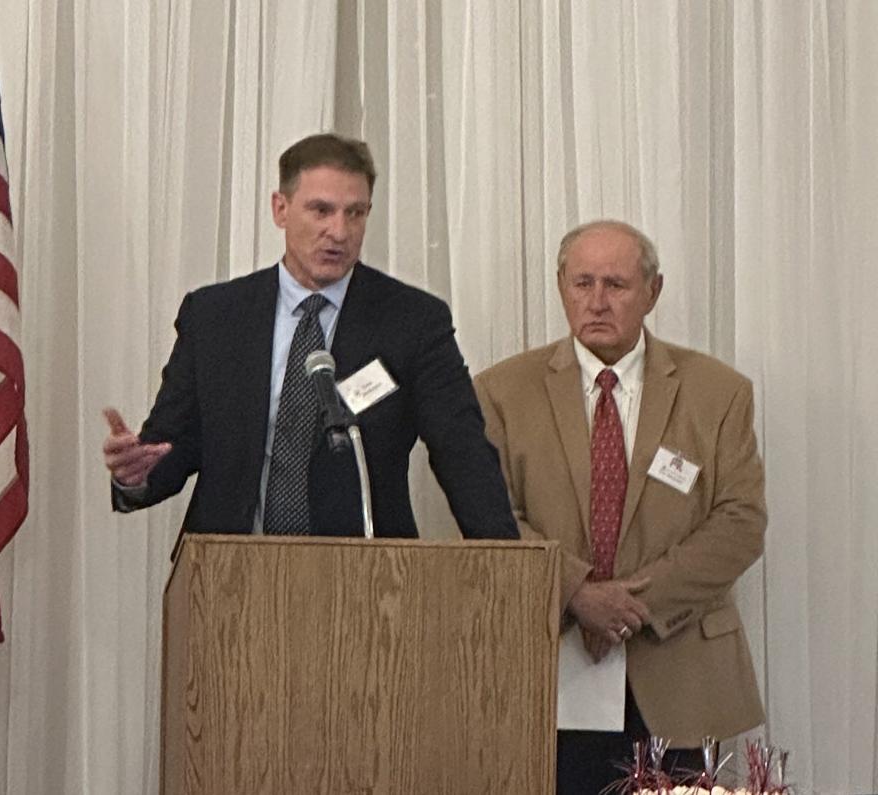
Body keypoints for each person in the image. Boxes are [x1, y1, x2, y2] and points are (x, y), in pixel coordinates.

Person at [103, 132, 518, 543]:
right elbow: (173, 446)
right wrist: (137, 475)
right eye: (321, 210)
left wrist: (508, 565)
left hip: (365, 580)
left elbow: (462, 453)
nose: (339, 231)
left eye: (355, 214)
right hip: (228, 579)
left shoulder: (412, 321)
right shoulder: (215, 316)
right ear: (280, 209)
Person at [475, 220, 765, 793]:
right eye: (582, 283)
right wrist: (576, 593)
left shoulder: (718, 392)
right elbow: (485, 517)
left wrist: (630, 605)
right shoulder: (500, 391)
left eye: (616, 284)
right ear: (561, 285)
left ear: (653, 292)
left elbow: (740, 523)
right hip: (548, 675)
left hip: (681, 675)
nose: (597, 302)